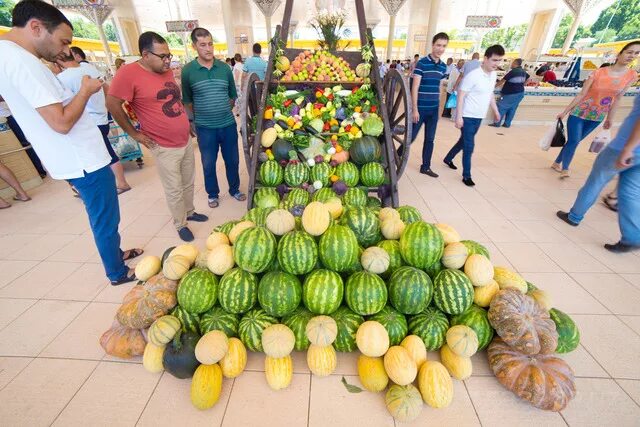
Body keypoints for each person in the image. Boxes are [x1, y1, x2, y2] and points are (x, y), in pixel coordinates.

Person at [0, 0, 142, 284]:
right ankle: (116, 272)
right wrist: (86, 91)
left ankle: (116, 254)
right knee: (105, 218)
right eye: (63, 41)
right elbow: (61, 122)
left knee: (104, 215)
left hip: (72, 157)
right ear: (37, 27)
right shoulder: (22, 61)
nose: (64, 50)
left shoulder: (8, 55)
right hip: (83, 159)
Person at [107, 31, 208, 242]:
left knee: (189, 181)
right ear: (145, 54)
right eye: (162, 56)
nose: (167, 60)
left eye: (169, 55)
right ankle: (181, 224)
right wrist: (134, 133)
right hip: (162, 145)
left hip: (184, 139)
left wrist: (186, 123)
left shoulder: (166, 71)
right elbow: (112, 104)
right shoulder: (128, 74)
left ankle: (189, 212)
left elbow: (174, 100)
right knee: (174, 188)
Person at [557, 94, 640, 253]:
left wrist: (628, 149)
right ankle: (632, 238)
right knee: (631, 193)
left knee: (596, 181)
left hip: (623, 148)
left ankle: (574, 216)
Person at [552, 41, 639, 178]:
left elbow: (618, 98)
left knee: (575, 141)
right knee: (574, 141)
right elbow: (581, 94)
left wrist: (610, 118)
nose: (632, 56)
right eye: (629, 52)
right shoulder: (598, 73)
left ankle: (557, 162)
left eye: (636, 53)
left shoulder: (631, 76)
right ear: (619, 54)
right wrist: (565, 112)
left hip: (597, 116)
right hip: (579, 112)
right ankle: (565, 168)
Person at [182, 27, 246, 209]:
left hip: (227, 125)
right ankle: (212, 194)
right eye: (203, 45)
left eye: (210, 44)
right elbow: (187, 100)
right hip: (205, 128)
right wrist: (193, 120)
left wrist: (224, 108)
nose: (208, 49)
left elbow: (232, 95)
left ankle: (234, 189)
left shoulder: (224, 68)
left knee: (233, 160)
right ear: (194, 46)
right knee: (208, 163)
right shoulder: (188, 71)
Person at [56, 53, 131, 193]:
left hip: (88, 121)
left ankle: (120, 183)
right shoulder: (90, 68)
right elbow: (107, 89)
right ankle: (119, 182)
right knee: (106, 150)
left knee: (102, 154)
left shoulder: (63, 78)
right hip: (102, 117)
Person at [443, 44, 505, 187]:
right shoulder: (474, 75)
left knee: (463, 141)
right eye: (494, 60)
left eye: (499, 60)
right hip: (467, 116)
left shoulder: (493, 75)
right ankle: (467, 176)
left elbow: (489, 94)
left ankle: (448, 158)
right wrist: (458, 116)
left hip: (479, 116)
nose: (497, 64)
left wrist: (495, 111)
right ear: (486, 58)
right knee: (469, 146)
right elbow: (461, 95)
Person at [409, 32, 449, 178]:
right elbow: (415, 87)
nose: (440, 48)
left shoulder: (443, 67)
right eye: (438, 45)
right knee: (411, 137)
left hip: (433, 110)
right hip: (420, 109)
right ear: (433, 45)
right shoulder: (422, 63)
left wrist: (439, 108)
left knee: (430, 139)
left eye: (443, 46)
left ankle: (425, 167)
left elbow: (439, 87)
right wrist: (415, 109)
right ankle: (395, 156)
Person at [0, 97, 47, 177]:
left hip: (6, 117)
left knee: (24, 144)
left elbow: (4, 96)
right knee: (10, 150)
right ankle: (31, 175)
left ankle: (39, 171)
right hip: (5, 117)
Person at [490, 58, 530, 128]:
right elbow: (529, 79)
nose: (511, 64)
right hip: (520, 93)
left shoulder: (513, 71)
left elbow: (502, 81)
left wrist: (493, 86)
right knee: (512, 108)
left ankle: (497, 123)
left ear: (515, 63)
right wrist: (522, 84)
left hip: (511, 93)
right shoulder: (523, 71)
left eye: (512, 63)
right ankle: (507, 124)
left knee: (501, 106)